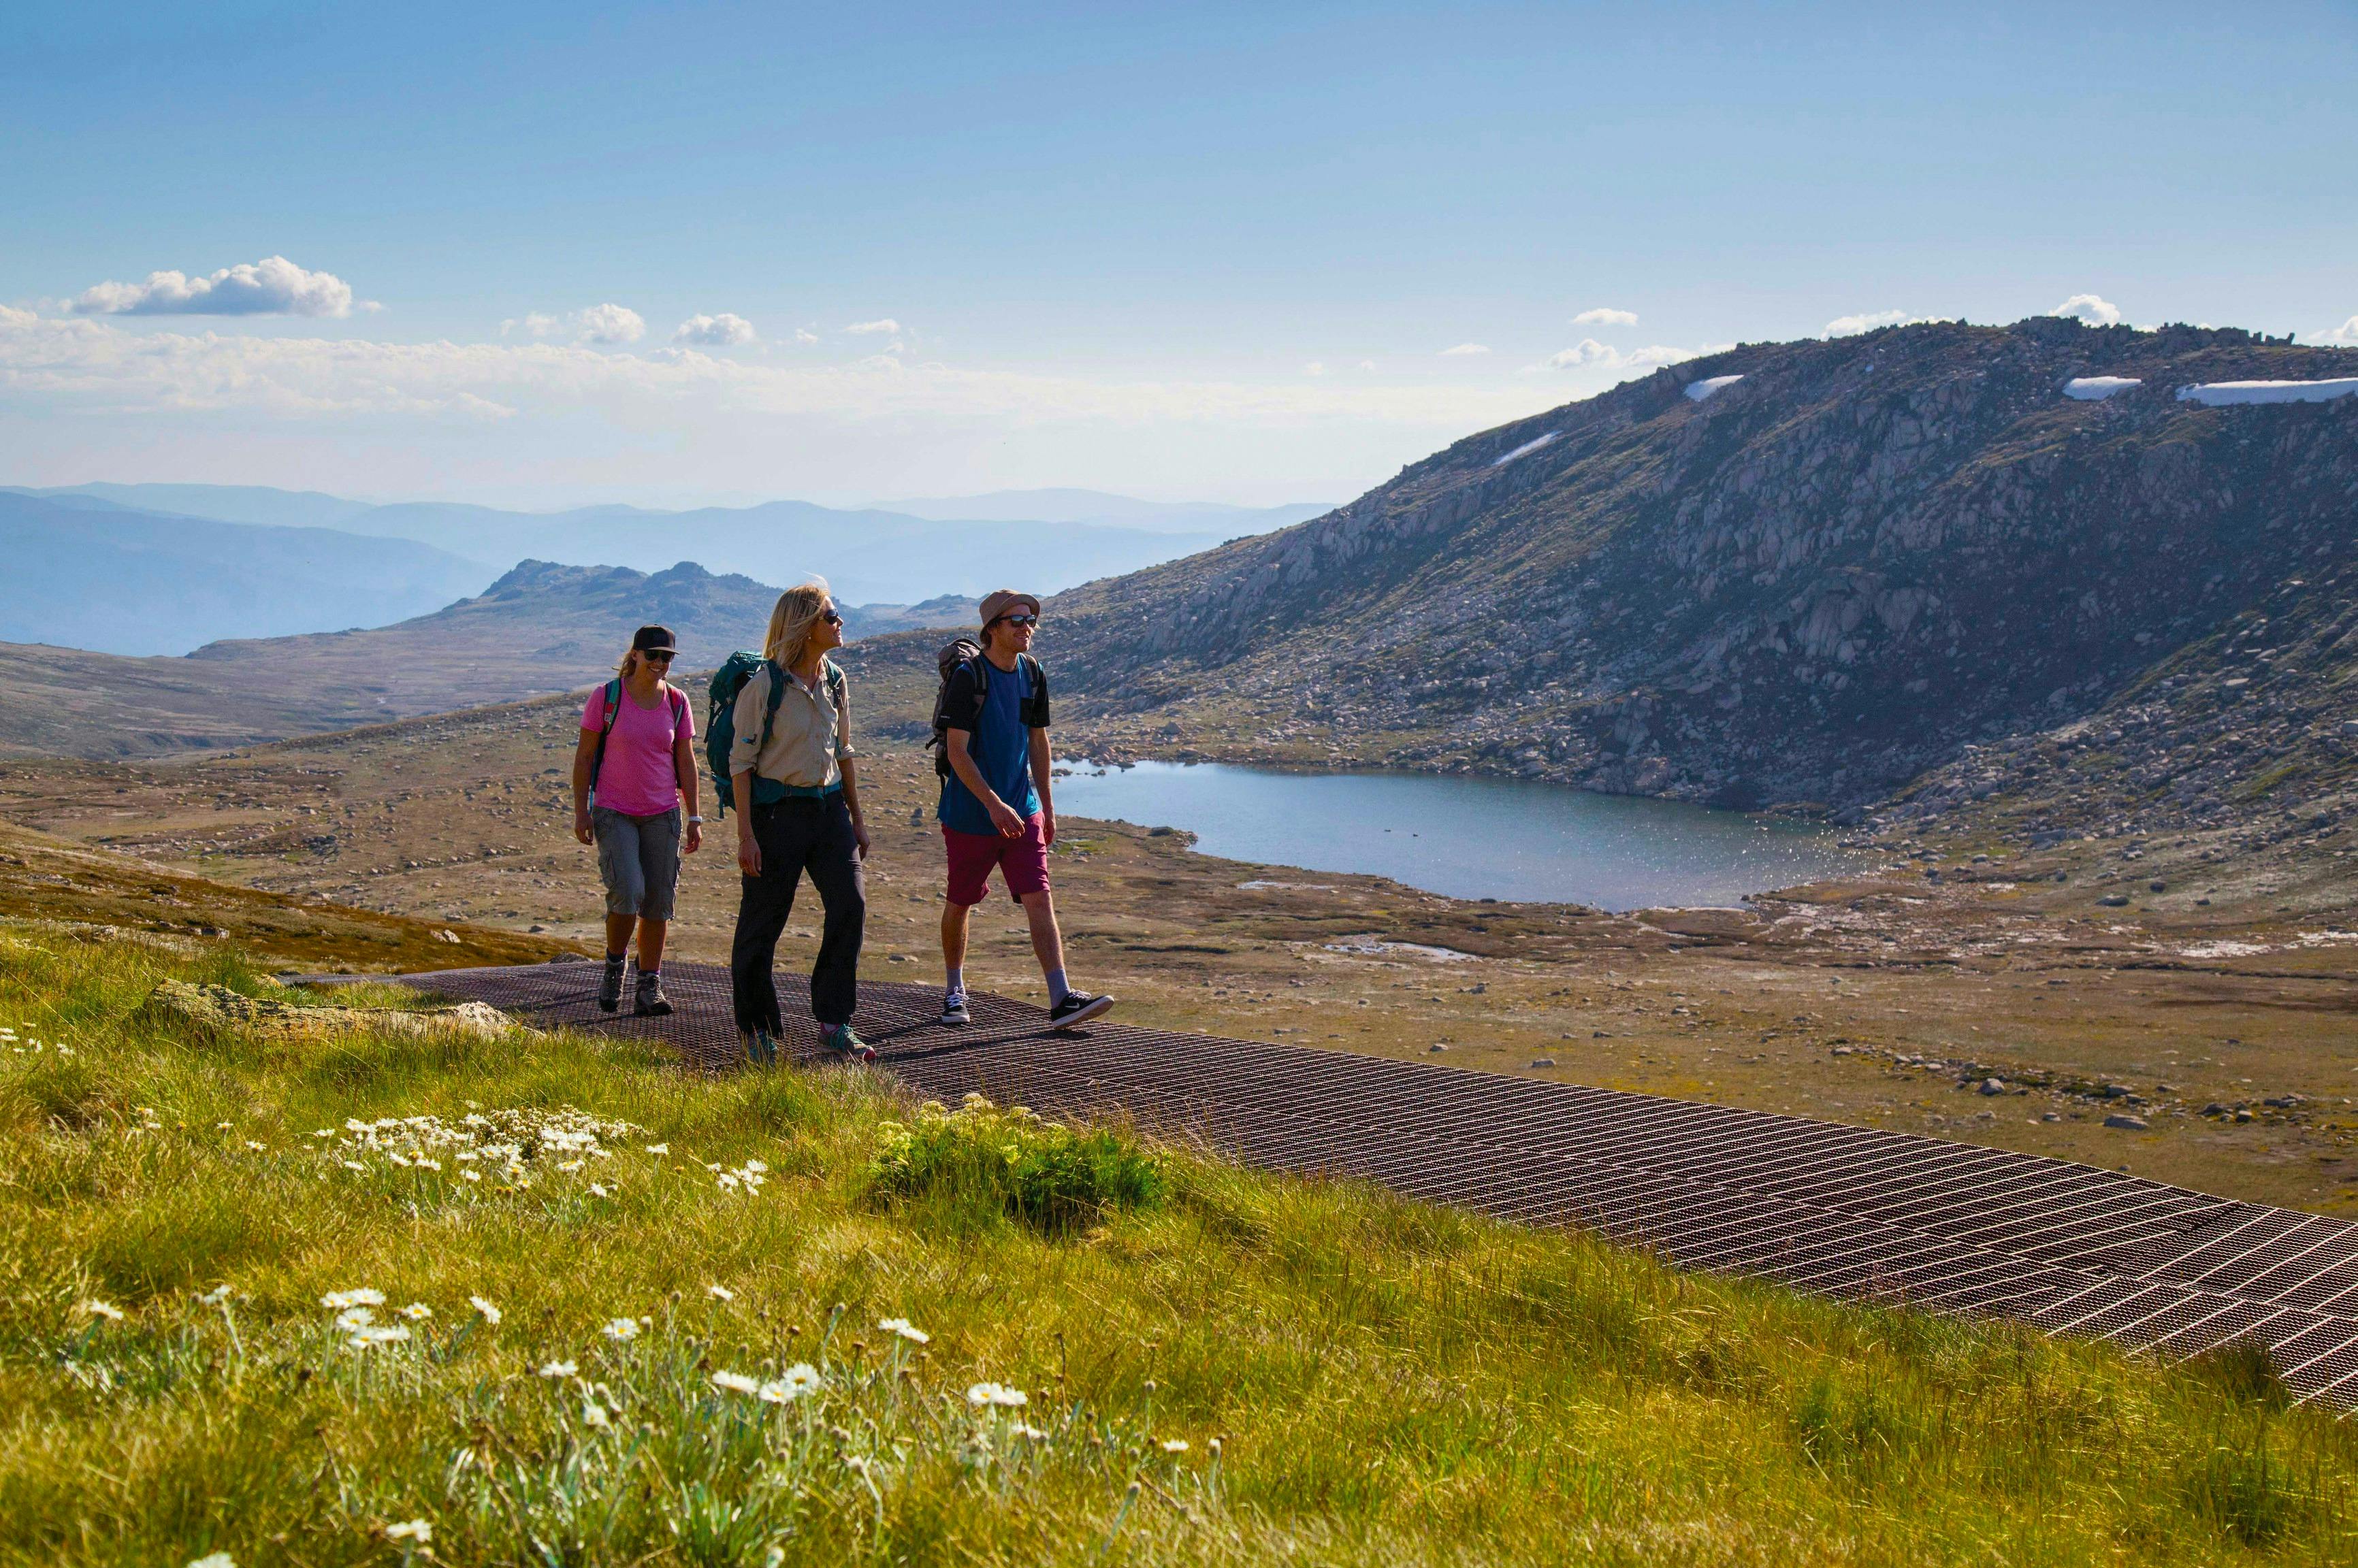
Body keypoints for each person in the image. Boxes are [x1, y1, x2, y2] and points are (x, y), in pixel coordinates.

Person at [937, 589, 1112, 1029]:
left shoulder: (1033, 673)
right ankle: (955, 992)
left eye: (1030, 620)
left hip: (1023, 811)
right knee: (960, 902)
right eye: (1016, 620)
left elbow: (1038, 739)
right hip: (971, 816)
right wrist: (993, 805)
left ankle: (1061, 998)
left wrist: (1047, 807)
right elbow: (957, 752)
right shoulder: (969, 678)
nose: (1026, 627)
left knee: (1039, 897)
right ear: (992, 629)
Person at [728, 580, 873, 1063]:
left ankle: (834, 1023)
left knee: (850, 905)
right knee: (763, 923)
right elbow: (741, 765)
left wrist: (857, 820)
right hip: (777, 814)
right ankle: (759, 1033)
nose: (839, 622)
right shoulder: (765, 687)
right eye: (831, 615)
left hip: (829, 811)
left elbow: (843, 752)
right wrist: (746, 836)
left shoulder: (836, 680)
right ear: (805, 625)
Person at [571, 624, 702, 1015]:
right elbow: (584, 757)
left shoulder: (677, 701)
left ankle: (649, 985)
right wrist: (581, 811)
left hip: (663, 814)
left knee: (659, 903)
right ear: (635, 654)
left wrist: (694, 815)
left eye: (667, 657)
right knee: (627, 893)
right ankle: (615, 965)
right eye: (653, 655)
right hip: (614, 813)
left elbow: (686, 761)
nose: (660, 663)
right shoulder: (607, 697)